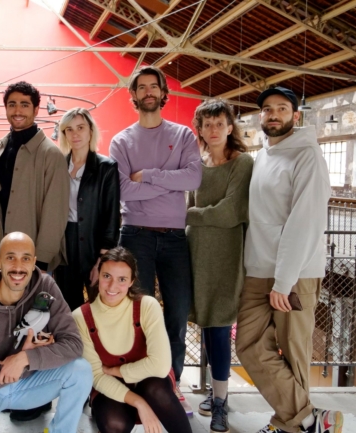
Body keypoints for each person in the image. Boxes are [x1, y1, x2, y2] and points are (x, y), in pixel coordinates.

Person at [235, 87, 341, 433]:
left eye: (282, 108)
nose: (273, 114)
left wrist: (284, 280)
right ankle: (309, 421)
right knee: (248, 345)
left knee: (293, 352)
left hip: (294, 275)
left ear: (296, 116)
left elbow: (305, 221)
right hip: (258, 269)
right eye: (267, 109)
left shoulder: (308, 156)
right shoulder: (264, 155)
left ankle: (289, 426)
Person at [108, 65, 202, 413]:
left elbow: (192, 179)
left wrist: (148, 175)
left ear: (164, 93)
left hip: (176, 239)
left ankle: (171, 385)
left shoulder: (183, 135)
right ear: (133, 95)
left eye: (154, 86)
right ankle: (141, 386)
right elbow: (123, 190)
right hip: (136, 236)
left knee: (177, 315)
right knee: (139, 318)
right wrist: (169, 182)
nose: (148, 91)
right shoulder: (121, 141)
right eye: (141, 87)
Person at [0, 232, 92, 432]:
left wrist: (25, 358)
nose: (18, 267)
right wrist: (10, 368)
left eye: (25, 258)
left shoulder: (46, 287)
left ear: (34, 262)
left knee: (81, 370)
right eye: (10, 257)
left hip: (34, 383)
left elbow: (73, 344)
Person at [186, 99, 253, 433]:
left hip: (226, 257)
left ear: (230, 127)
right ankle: (215, 391)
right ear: (199, 129)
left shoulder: (242, 162)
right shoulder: (196, 163)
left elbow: (231, 212)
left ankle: (221, 402)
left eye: (219, 123)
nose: (213, 130)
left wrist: (191, 216)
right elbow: (188, 204)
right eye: (207, 124)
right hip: (195, 254)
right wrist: (191, 216)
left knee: (220, 327)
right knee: (205, 326)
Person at [73, 247, 192, 433]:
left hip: (150, 381)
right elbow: (96, 376)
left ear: (131, 281)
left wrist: (115, 370)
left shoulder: (147, 306)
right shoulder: (80, 317)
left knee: (156, 390)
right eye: (107, 276)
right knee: (114, 423)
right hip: (109, 385)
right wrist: (139, 403)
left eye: (122, 279)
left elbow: (160, 366)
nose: (112, 286)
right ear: (98, 275)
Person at [0, 81, 69, 277]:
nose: (17, 110)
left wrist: (43, 258)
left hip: (32, 252)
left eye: (24, 104)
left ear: (36, 109)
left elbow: (55, 212)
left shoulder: (51, 154)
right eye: (12, 104)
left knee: (32, 299)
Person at [53, 108, 120, 312]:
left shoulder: (107, 167)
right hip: (64, 245)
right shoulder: (57, 165)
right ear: (64, 134)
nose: (75, 134)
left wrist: (102, 261)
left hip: (93, 243)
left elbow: (111, 217)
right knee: (67, 308)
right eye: (69, 129)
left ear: (91, 131)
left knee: (100, 308)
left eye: (80, 128)